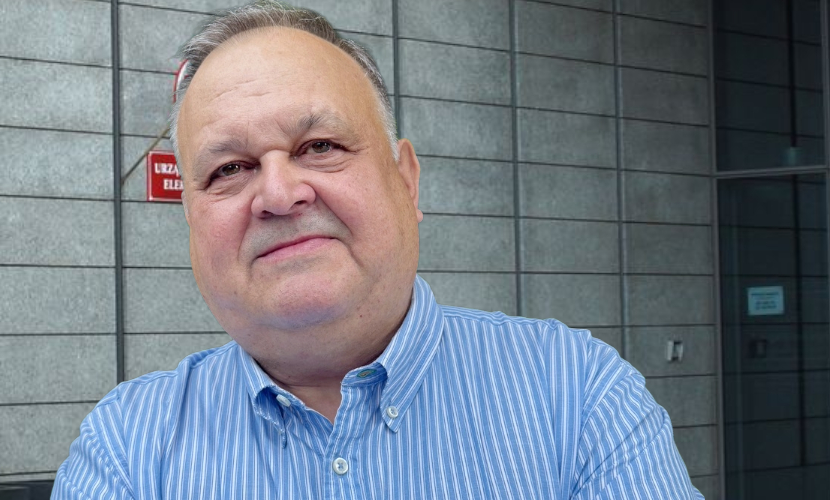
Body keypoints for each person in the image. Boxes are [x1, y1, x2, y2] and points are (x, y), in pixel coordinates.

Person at [52, 2, 704, 498]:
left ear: (406, 181)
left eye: (320, 147)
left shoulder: (576, 398)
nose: (278, 193)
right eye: (229, 169)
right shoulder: (128, 451)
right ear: (192, 222)